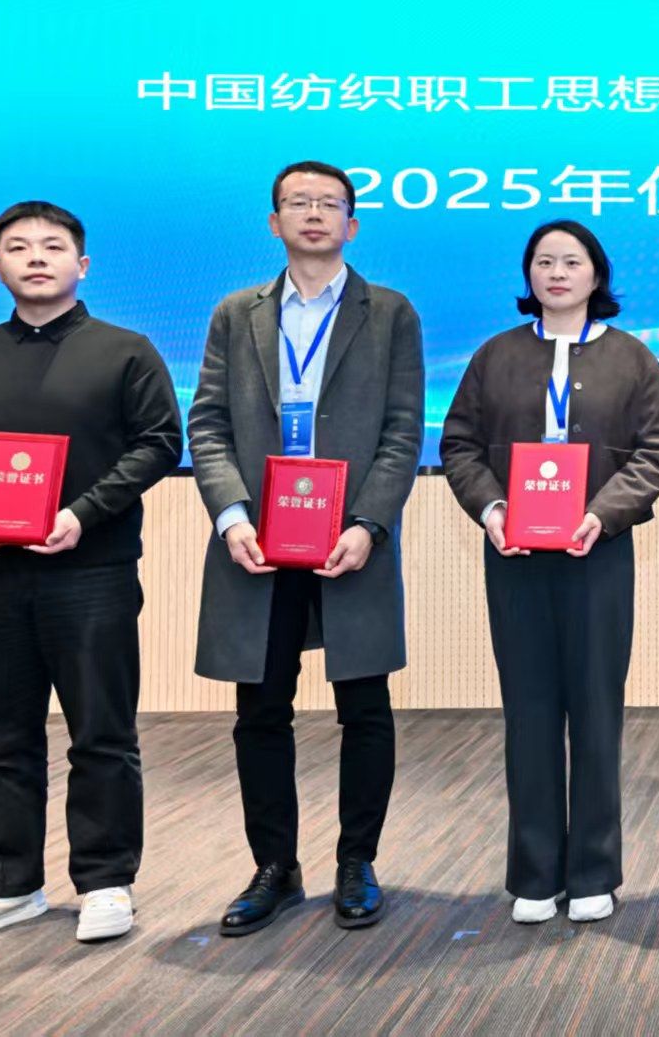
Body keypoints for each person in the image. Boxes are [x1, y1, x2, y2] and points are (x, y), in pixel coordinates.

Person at [0, 201, 182, 946]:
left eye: (53, 247)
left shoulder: (125, 350)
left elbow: (159, 442)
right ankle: (5, 884)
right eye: (19, 247)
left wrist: (84, 513)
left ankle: (106, 881)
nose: (36, 257)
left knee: (102, 732)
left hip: (93, 572)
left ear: (81, 265)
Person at [188, 160, 425, 937]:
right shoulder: (237, 313)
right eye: (299, 202)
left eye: (329, 204)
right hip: (258, 538)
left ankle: (357, 861)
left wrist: (368, 524)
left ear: (352, 224)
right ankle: (275, 866)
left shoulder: (390, 312)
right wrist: (231, 517)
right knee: (260, 708)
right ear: (274, 221)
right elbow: (208, 424)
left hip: (349, 535)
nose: (314, 213)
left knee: (365, 705)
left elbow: (402, 430)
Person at [441, 220, 659, 926]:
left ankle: (595, 870)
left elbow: (655, 450)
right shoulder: (496, 355)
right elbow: (459, 444)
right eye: (544, 261)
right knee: (530, 712)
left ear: (596, 275)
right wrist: (492, 511)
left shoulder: (631, 358)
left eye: (571, 261)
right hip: (515, 558)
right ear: (529, 275)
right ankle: (535, 873)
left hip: (595, 554)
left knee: (597, 712)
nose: (557, 273)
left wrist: (601, 514)